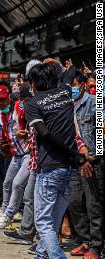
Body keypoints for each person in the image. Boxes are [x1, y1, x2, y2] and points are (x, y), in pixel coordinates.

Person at [24, 63, 92, 259]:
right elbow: (71, 72)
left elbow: (44, 134)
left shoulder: (32, 103)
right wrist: (75, 156)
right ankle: (42, 255)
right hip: (70, 169)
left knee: (43, 221)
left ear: (35, 83)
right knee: (54, 219)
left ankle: (56, 257)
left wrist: (74, 153)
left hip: (50, 168)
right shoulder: (64, 92)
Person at [68, 73, 103, 258]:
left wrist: (92, 157)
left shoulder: (94, 103)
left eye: (74, 85)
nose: (72, 89)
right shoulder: (67, 105)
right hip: (74, 160)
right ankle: (84, 240)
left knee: (93, 204)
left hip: (91, 161)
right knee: (74, 201)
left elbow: (101, 133)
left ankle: (97, 246)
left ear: (82, 84)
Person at [0, 82, 30, 227]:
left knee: (17, 184)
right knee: (7, 183)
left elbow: (33, 123)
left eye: (3, 99)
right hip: (16, 155)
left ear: (9, 98)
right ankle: (3, 211)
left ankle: (9, 215)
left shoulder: (20, 107)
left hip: (28, 153)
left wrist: (28, 133)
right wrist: (1, 140)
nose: (0, 103)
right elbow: (5, 131)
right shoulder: (3, 114)